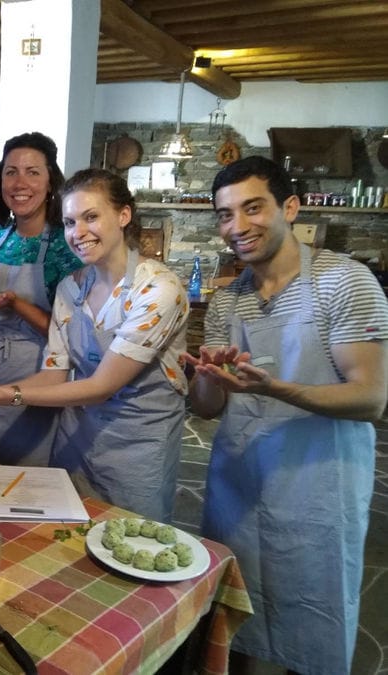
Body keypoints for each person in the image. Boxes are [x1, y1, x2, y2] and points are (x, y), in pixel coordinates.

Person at [183, 156, 388, 675]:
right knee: (239, 621)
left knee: (311, 621)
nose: (238, 226)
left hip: (318, 488)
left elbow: (371, 399)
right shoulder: (229, 301)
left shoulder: (344, 282)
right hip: (240, 483)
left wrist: (276, 388)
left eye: (253, 208)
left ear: (290, 208)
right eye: (226, 214)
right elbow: (206, 411)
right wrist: (204, 378)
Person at [0, 169, 189, 521]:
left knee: (131, 550)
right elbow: (54, 375)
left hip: (136, 450)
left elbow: (100, 387)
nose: (78, 232)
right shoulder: (70, 289)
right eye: (69, 221)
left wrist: (9, 396)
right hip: (75, 443)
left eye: (91, 217)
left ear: (124, 215)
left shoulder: (157, 291)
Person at [0, 132, 82, 465]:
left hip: (36, 375)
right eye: (11, 172)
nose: (19, 182)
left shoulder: (64, 245)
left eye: (32, 172)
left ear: (50, 182)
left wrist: (15, 304)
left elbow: (68, 336)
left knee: (22, 485)